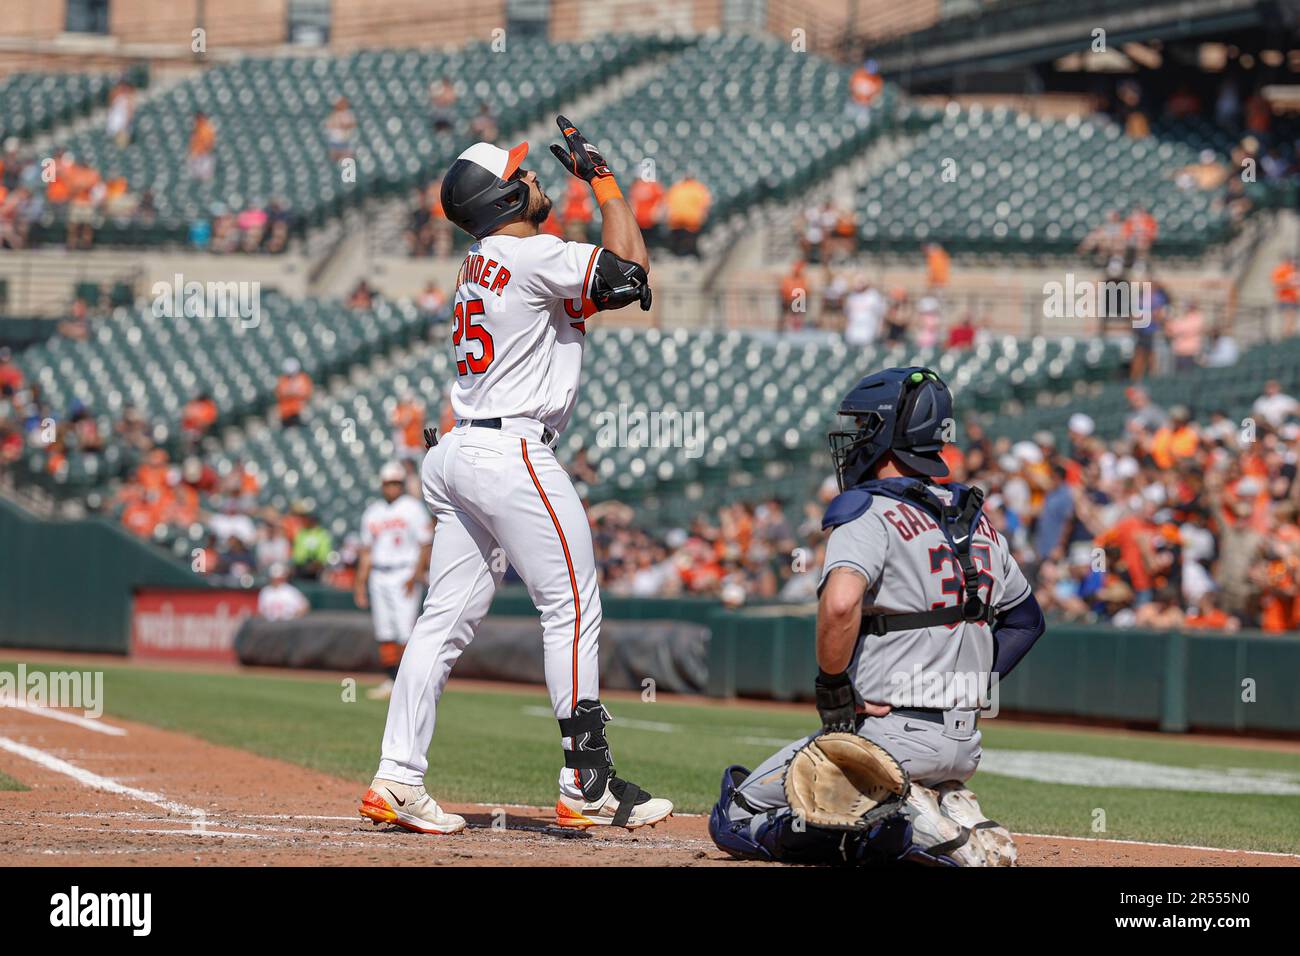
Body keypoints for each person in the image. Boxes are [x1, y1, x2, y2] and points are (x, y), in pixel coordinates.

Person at [358, 117, 669, 836]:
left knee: (441, 623)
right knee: (573, 607)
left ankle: (397, 778)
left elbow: (594, 291)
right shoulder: (533, 258)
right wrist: (606, 184)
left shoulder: (481, 264)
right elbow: (633, 276)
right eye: (520, 175)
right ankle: (585, 780)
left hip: (462, 451)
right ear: (501, 200)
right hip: (512, 451)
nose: (534, 179)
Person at [708, 368, 1044, 866]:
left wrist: (834, 689)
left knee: (734, 818)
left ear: (888, 433)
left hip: (887, 737)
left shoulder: (866, 509)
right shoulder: (977, 519)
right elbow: (1027, 621)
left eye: (864, 425)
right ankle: (945, 801)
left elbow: (841, 605)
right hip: (964, 743)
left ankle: (907, 822)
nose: (855, 437)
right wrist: (977, 683)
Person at [354, 462, 433, 701]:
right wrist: (360, 584)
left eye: (396, 483)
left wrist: (416, 574)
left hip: (403, 572)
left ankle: (409, 682)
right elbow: (366, 551)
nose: (392, 487)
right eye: (389, 483)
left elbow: (425, 544)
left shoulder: (412, 508)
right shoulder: (373, 511)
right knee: (385, 630)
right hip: (379, 573)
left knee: (405, 631)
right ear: (382, 484)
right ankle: (391, 680)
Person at [664, 173, 711, 256]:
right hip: (691, 219)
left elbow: (668, 204)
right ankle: (691, 253)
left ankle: (677, 253)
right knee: (692, 237)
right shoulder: (698, 188)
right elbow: (705, 205)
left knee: (678, 238)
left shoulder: (676, 188)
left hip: (676, 219)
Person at [275, 358, 312, 427]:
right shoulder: (282, 380)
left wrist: (291, 392)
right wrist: (294, 392)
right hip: (286, 413)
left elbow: (306, 393)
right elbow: (281, 393)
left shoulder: (303, 378)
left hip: (299, 410)